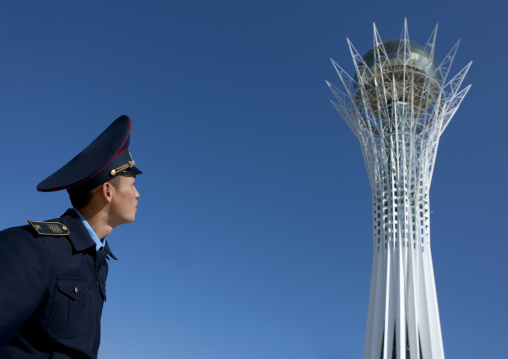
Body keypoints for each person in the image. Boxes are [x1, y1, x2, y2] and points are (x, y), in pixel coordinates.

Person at [0, 115, 142, 358]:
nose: (138, 195)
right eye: (132, 185)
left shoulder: (97, 261)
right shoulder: (34, 247)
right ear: (108, 191)